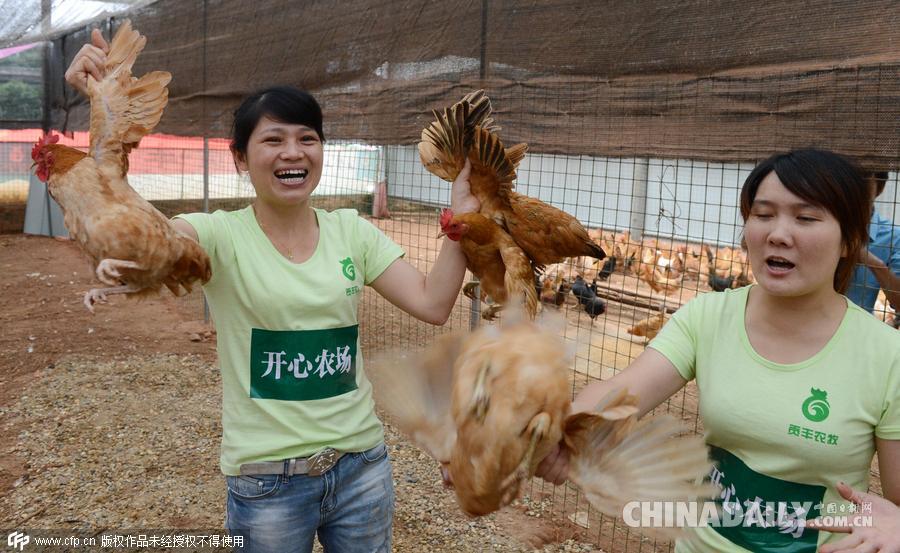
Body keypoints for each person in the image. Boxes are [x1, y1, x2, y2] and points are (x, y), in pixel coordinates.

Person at [66, 29, 479, 552]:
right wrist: (104, 116)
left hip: (361, 469)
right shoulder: (216, 234)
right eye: (273, 139)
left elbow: (434, 303)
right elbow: (138, 248)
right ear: (240, 158)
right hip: (265, 483)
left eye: (308, 138)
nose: (294, 152)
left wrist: (464, 218)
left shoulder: (353, 232)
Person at [537, 149, 900, 552]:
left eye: (806, 218)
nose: (778, 233)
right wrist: (554, 434)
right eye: (762, 215)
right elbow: (623, 391)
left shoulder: (887, 356)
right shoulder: (707, 317)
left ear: (850, 239)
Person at [846, 171, 900, 319]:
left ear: (880, 187)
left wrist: (869, 260)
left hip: (858, 328)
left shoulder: (894, 236)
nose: (853, 186)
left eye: (864, 178)